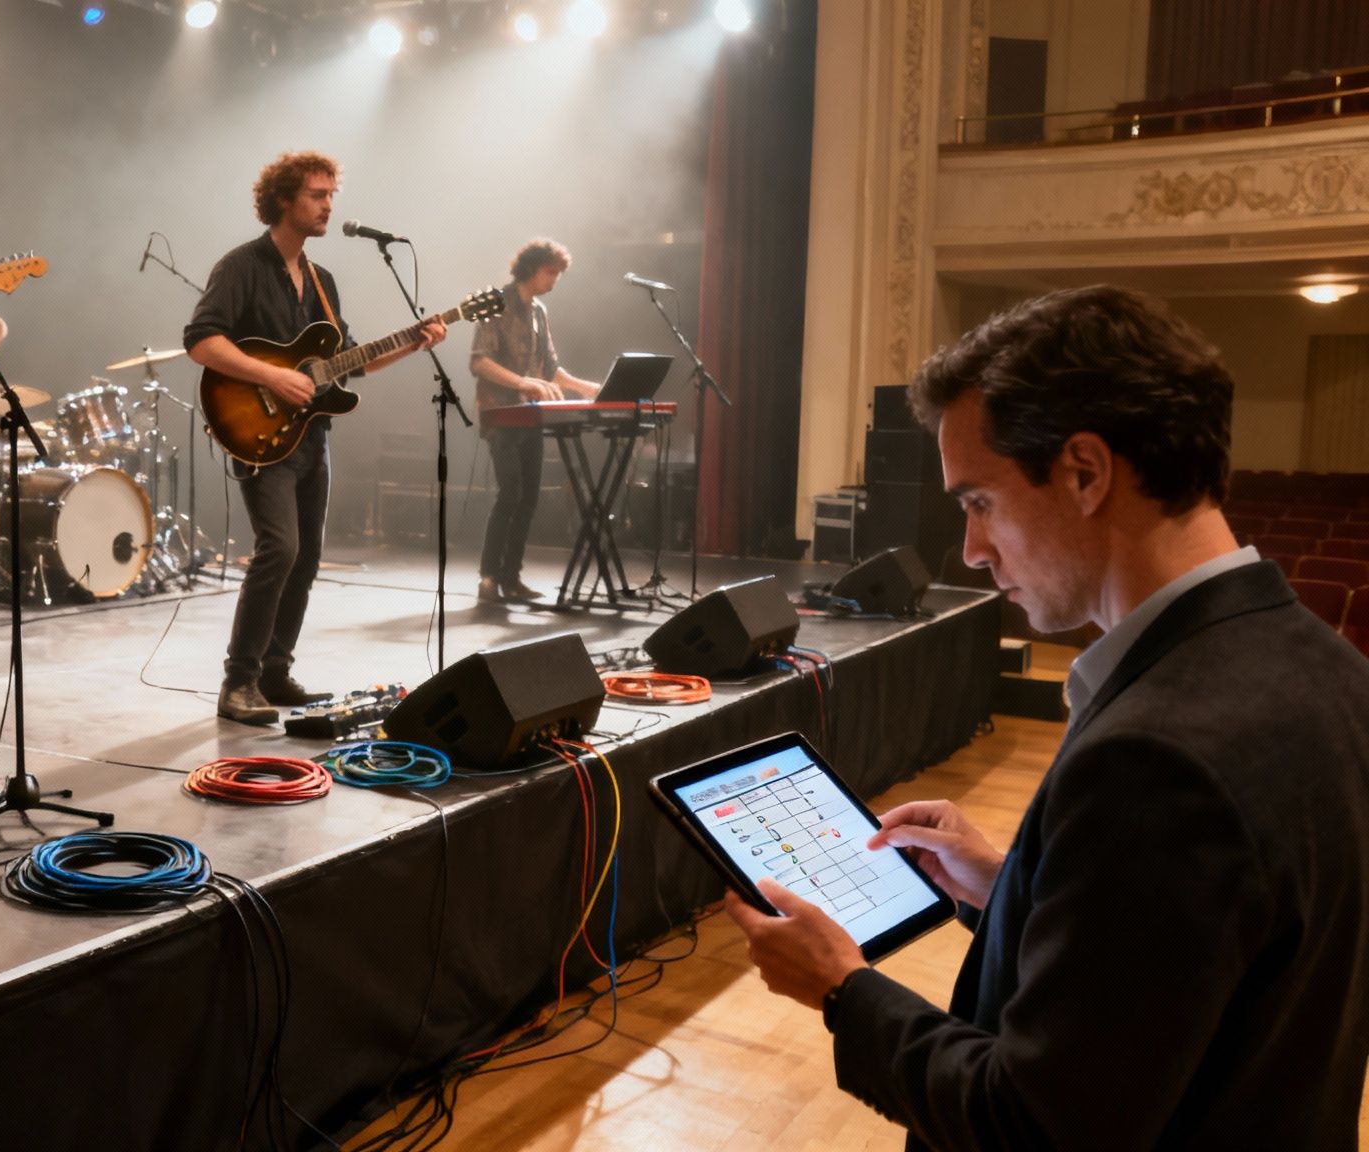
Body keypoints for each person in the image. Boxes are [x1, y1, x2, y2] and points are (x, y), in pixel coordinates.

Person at [722, 285, 1369, 1149]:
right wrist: (1016, 884)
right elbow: (1209, 967)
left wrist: (844, 989)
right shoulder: (1331, 668)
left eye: (980, 502)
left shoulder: (1157, 760)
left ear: (1085, 472)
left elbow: (1033, 1124)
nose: (972, 549)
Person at [183, 151, 446, 726]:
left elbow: (349, 364)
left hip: (310, 437)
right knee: (279, 548)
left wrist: (413, 342)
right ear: (284, 200)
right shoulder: (242, 266)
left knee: (306, 559)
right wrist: (273, 375)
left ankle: (275, 674)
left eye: (332, 195)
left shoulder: (322, 282)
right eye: (317, 195)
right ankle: (239, 682)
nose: (329, 205)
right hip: (257, 429)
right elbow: (202, 341)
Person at [470, 238, 600, 602]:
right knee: (510, 493)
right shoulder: (497, 303)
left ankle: (511, 577)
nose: (555, 279)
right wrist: (522, 382)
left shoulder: (540, 312)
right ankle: (487, 576)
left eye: (559, 273)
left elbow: (550, 367)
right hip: (500, 414)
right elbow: (479, 360)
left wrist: (582, 387)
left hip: (531, 417)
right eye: (551, 271)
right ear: (531, 268)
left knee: (527, 498)